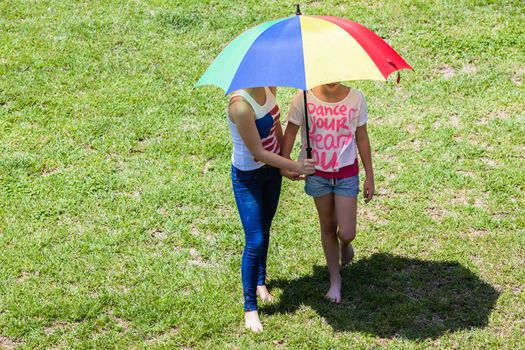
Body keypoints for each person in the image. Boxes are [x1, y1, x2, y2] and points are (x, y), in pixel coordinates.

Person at [227, 86, 315, 333]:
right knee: (254, 239)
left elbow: (276, 132)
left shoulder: (269, 89)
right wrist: (294, 165)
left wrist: (283, 166)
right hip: (248, 178)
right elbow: (258, 152)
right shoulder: (240, 106)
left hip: (270, 173)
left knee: (265, 228)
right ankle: (250, 307)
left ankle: (260, 282)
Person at [281, 82, 375, 304]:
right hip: (317, 175)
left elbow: (362, 137)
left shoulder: (356, 98)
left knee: (347, 231)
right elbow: (291, 131)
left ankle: (345, 244)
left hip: (346, 174)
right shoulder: (302, 98)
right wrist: (286, 164)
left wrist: (369, 174)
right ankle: (335, 280)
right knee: (328, 227)